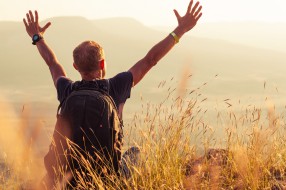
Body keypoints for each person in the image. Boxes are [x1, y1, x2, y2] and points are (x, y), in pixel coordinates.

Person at [23, 0, 202, 188]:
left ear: (75, 67)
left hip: (68, 180)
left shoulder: (67, 89)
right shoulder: (116, 86)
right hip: (107, 180)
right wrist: (180, 30)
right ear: (102, 64)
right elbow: (150, 59)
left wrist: (37, 37)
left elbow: (52, 63)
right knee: (135, 153)